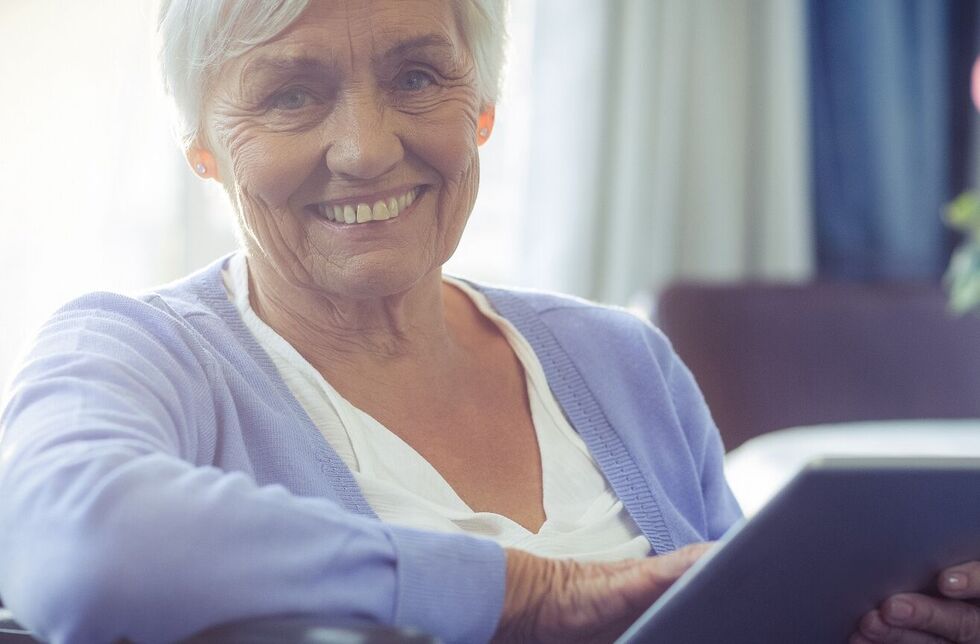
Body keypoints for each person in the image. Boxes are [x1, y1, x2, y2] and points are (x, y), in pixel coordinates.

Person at [0, 1, 976, 643]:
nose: (366, 148)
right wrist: (530, 589)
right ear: (203, 149)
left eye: (418, 77)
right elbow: (76, 547)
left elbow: (740, 610)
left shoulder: (622, 356)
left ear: (482, 110)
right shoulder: (133, 349)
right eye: (291, 95)